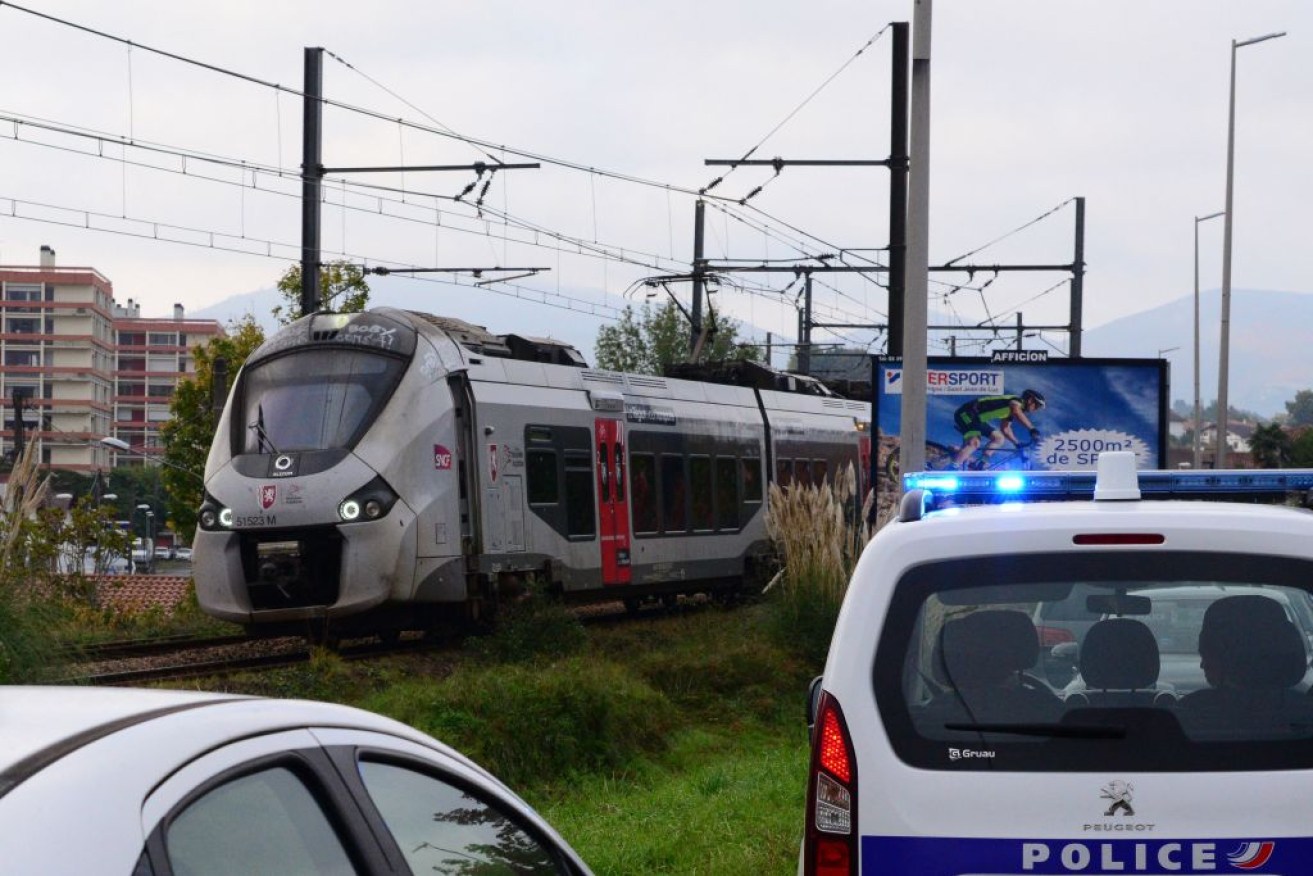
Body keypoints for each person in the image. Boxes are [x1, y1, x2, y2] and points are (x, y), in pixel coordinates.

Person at [950, 388, 1045, 470]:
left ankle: (980, 463)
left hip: (976, 419)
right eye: (1037, 405)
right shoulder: (1016, 401)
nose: (1036, 409)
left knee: (999, 438)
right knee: (974, 442)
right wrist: (1032, 429)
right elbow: (1017, 412)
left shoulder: (1011, 411)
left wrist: (1018, 444)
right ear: (1030, 400)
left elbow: (1005, 429)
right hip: (966, 413)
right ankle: (952, 468)